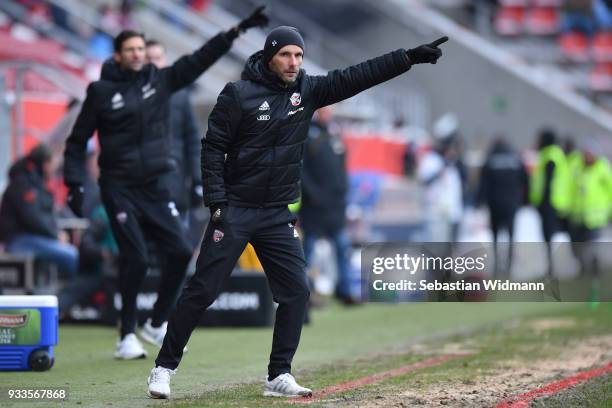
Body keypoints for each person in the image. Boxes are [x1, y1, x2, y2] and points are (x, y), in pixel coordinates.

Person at [146, 25, 448, 399]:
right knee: (201, 290)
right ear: (270, 56)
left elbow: (358, 75)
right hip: (236, 210)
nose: (294, 62)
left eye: (299, 56)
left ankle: (278, 375)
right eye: (287, 55)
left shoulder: (308, 91)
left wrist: (406, 59)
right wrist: (218, 204)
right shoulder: (237, 94)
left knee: (296, 292)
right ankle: (163, 369)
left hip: (276, 214)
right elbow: (212, 149)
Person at [62, 7, 269, 360]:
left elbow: (199, 60)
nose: (137, 55)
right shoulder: (100, 92)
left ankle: (156, 323)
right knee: (137, 258)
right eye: (130, 50)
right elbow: (76, 141)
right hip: (119, 187)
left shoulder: (160, 82)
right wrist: (75, 184)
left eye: (141, 50)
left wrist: (236, 30)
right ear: (117, 55)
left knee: (178, 251)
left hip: (156, 186)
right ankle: (125, 334)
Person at [300, 106, 356, 304]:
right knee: (309, 249)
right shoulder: (307, 134)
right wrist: (312, 194)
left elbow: (342, 166)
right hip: (314, 206)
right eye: (323, 110)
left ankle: (346, 290)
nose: (327, 114)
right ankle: (302, 292)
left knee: (342, 247)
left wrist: (344, 188)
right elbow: (300, 168)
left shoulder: (335, 134)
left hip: (335, 205)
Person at [145, 40, 203, 230]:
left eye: (157, 58)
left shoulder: (180, 96)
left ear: (165, 61)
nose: (153, 63)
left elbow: (193, 141)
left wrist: (197, 180)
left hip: (174, 188)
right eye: (149, 58)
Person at [0, 144, 78, 279]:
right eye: (54, 163)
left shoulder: (36, 182)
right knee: (71, 255)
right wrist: (55, 235)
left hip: (33, 237)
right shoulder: (23, 183)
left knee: (72, 253)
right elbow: (32, 218)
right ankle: (70, 296)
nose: (55, 168)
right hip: (19, 239)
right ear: (45, 163)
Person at [477, 137, 529, 276]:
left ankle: (496, 264)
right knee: (511, 234)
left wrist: (480, 200)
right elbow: (525, 180)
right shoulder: (515, 158)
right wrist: (526, 200)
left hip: (494, 203)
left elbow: (483, 182)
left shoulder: (490, 159)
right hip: (512, 203)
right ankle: (509, 263)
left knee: (495, 235)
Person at [529, 128, 570, 278]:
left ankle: (551, 269)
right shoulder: (552, 154)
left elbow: (547, 182)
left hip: (549, 203)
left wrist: (541, 203)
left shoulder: (550, 156)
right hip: (552, 202)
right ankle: (552, 267)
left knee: (549, 236)